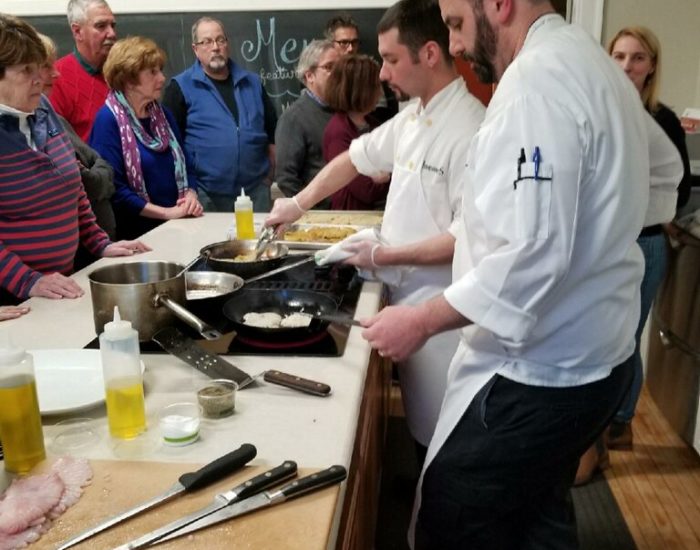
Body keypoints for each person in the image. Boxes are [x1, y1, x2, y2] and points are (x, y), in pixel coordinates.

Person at [336, 0, 681, 547]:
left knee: (451, 518)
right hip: (600, 359)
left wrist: (422, 321)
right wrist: (598, 223)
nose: (453, 47)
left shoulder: (535, 84)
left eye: (455, 24)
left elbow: (531, 253)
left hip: (541, 371)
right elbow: (665, 174)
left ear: (498, 5)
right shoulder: (590, 62)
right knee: (537, 509)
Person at [267, 0, 485, 463]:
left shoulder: (471, 129)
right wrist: (297, 204)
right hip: (403, 298)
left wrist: (383, 256)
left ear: (429, 54)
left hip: (440, 316)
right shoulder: (411, 117)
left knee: (443, 439)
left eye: (390, 60)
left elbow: (464, 237)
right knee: (421, 427)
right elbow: (353, 159)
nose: (382, 74)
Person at [0, 14, 150, 304]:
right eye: (25, 70)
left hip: (59, 286)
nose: (39, 78)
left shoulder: (41, 106)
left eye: (38, 67)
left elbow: (72, 186)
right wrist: (28, 280)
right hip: (16, 298)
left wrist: (100, 244)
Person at [604, 25, 693, 449]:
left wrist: (658, 212)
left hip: (644, 243)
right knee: (603, 336)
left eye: (637, 57)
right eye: (619, 56)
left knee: (626, 337)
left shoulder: (662, 120)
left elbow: (680, 188)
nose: (627, 66)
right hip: (606, 244)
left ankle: (620, 422)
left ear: (651, 65)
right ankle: (601, 420)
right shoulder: (602, 112)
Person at [89, 36, 203, 240]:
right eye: (152, 72)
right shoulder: (108, 120)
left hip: (178, 226)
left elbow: (187, 164)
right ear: (129, 79)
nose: (162, 78)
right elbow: (114, 189)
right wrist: (167, 213)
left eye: (160, 70)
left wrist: (191, 196)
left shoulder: (163, 115)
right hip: (136, 235)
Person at [162, 17, 278, 213]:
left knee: (257, 243)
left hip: (255, 193)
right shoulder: (180, 87)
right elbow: (171, 146)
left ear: (227, 44)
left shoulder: (253, 83)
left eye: (220, 40)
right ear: (195, 49)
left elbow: (272, 135)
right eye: (206, 42)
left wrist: (268, 178)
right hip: (206, 195)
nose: (215, 47)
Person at [38, 32, 116, 247]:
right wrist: (95, 176)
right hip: (37, 275)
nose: (56, 74)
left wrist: (101, 244)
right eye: (46, 66)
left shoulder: (55, 120)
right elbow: (81, 181)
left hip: (91, 246)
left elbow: (99, 165)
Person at [274, 40, 339, 209]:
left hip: (352, 214)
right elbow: (286, 179)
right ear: (309, 75)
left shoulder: (347, 111)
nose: (338, 73)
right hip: (322, 219)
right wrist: (313, 211)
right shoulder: (293, 118)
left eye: (340, 67)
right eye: (329, 67)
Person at [323, 54, 388, 210]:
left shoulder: (373, 124)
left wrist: (384, 176)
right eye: (375, 87)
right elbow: (366, 190)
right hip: (350, 217)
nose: (380, 93)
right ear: (359, 90)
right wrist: (388, 175)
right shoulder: (339, 131)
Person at [48, 0, 117, 141]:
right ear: (77, 32)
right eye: (101, 26)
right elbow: (55, 145)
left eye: (112, 25)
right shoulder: (56, 78)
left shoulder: (122, 73)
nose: (111, 33)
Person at [324, 12, 398, 123]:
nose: (350, 48)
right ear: (331, 44)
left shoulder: (368, 71)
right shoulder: (321, 72)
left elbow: (381, 112)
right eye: (344, 42)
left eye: (354, 42)